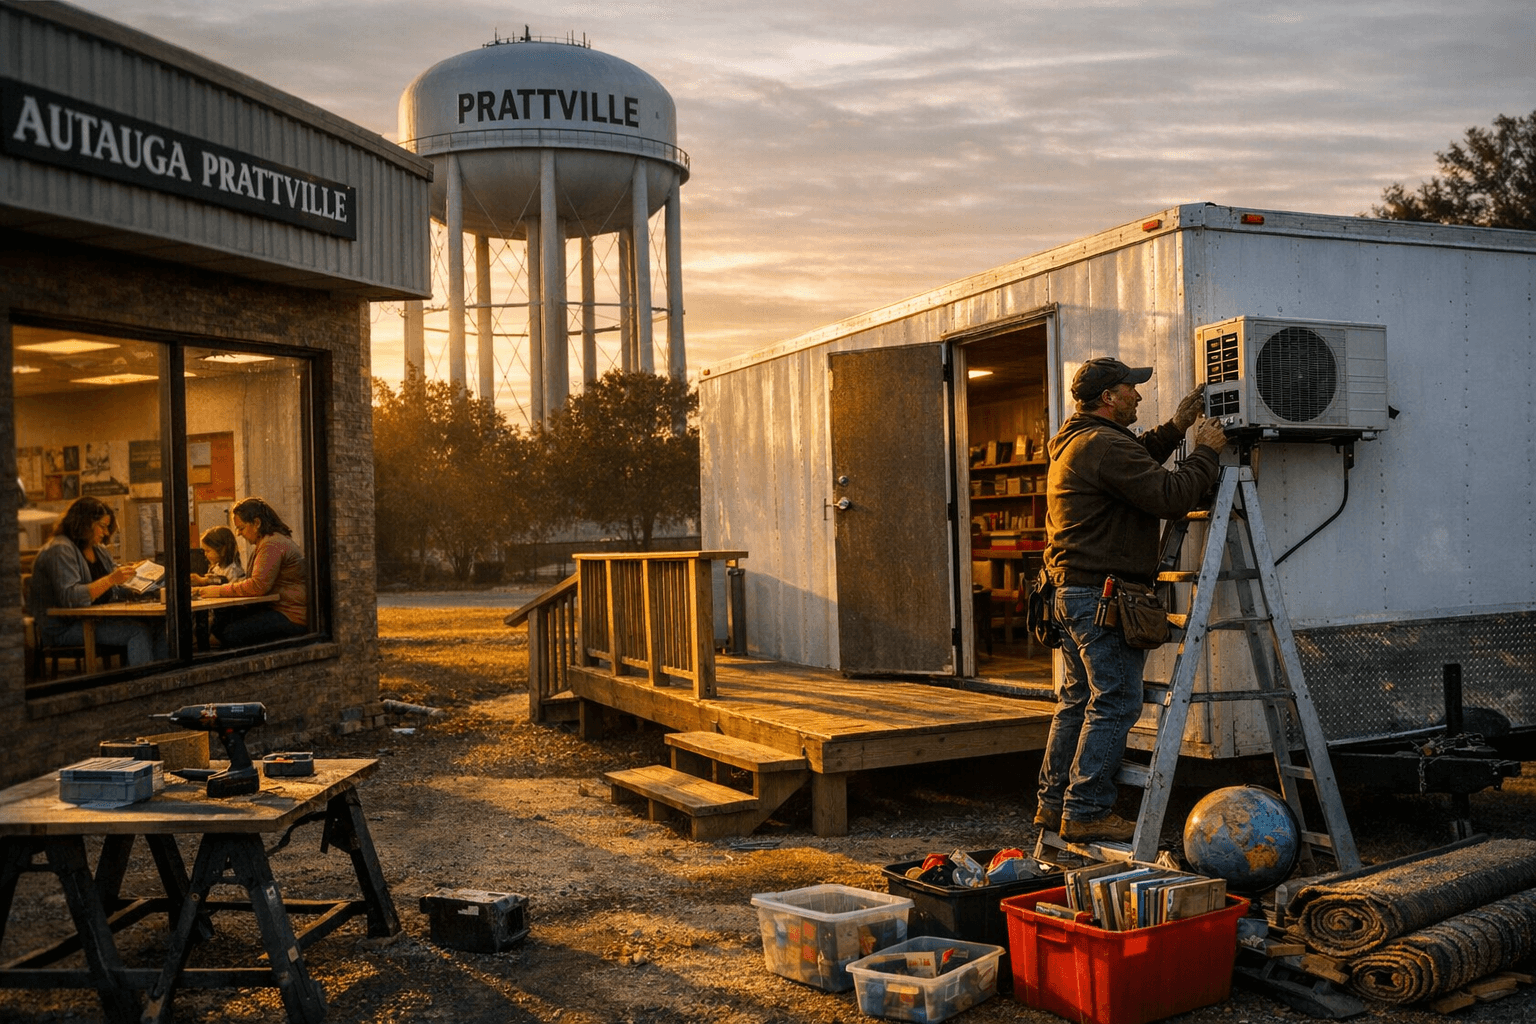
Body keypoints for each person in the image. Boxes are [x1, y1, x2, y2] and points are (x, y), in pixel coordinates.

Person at [1036, 357, 1228, 843]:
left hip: (1071, 592)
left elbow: (1135, 460)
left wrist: (1177, 426)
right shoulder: (1102, 444)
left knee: (1078, 700)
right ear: (1109, 398)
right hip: (1100, 595)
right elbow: (1167, 495)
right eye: (1131, 389)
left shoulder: (1080, 440)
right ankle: (1086, 809)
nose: (1138, 396)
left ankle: (1054, 803)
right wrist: (1204, 453)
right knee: (1116, 701)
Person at [27, 495, 167, 667]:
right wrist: (111, 579)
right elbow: (70, 597)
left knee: (159, 623)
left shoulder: (98, 550)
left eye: (107, 527)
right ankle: (145, 686)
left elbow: (114, 588)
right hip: (66, 627)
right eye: (102, 526)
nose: (106, 533)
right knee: (137, 632)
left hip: (96, 619)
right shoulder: (60, 549)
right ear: (84, 523)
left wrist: (141, 583)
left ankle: (161, 680)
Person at [194, 497, 308, 646]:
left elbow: (257, 586)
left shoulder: (271, 545)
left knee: (228, 633)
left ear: (256, 523)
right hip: (286, 610)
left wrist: (214, 591)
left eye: (241, 528)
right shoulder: (273, 540)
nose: (239, 533)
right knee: (224, 624)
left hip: (291, 615)